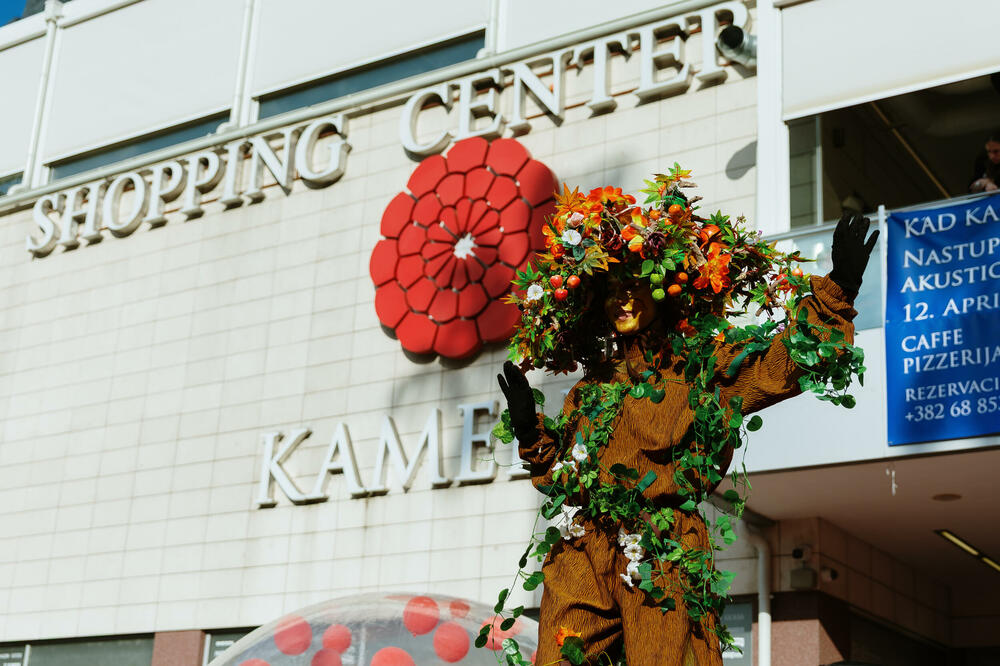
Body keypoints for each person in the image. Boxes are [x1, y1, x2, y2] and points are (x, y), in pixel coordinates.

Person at [497, 208, 878, 665]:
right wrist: (528, 430)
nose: (621, 299)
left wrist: (839, 288)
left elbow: (780, 365)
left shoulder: (700, 369)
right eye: (611, 290)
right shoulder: (590, 390)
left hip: (663, 546)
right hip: (585, 546)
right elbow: (563, 482)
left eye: (633, 285)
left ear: (664, 292)